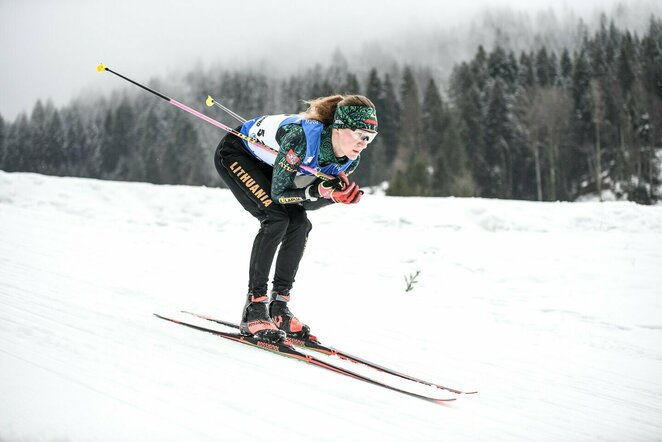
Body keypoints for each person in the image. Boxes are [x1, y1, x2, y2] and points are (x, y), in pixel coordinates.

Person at [214, 95, 378, 344]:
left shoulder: (348, 159)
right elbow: (280, 195)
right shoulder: (300, 138)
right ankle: (254, 308)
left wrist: (335, 197)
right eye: (360, 134)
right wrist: (321, 192)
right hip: (237, 153)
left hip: (270, 165)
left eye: (370, 137)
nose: (364, 143)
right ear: (340, 127)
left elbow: (302, 203)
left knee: (300, 224)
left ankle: (279, 307)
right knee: (275, 218)